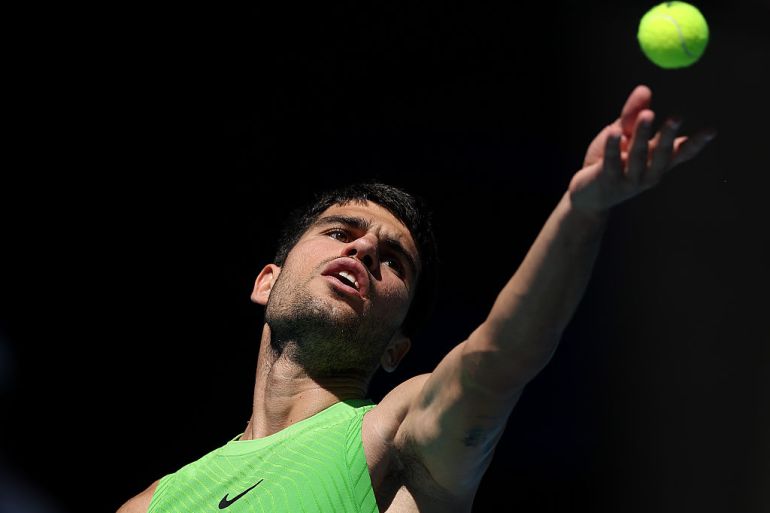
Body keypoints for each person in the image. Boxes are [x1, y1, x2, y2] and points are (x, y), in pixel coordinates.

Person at [118, 85, 715, 512]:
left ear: (396, 350)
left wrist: (582, 211)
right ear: (266, 281)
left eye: (393, 261)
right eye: (340, 232)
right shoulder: (154, 502)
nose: (363, 250)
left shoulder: (396, 438)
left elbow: (499, 360)